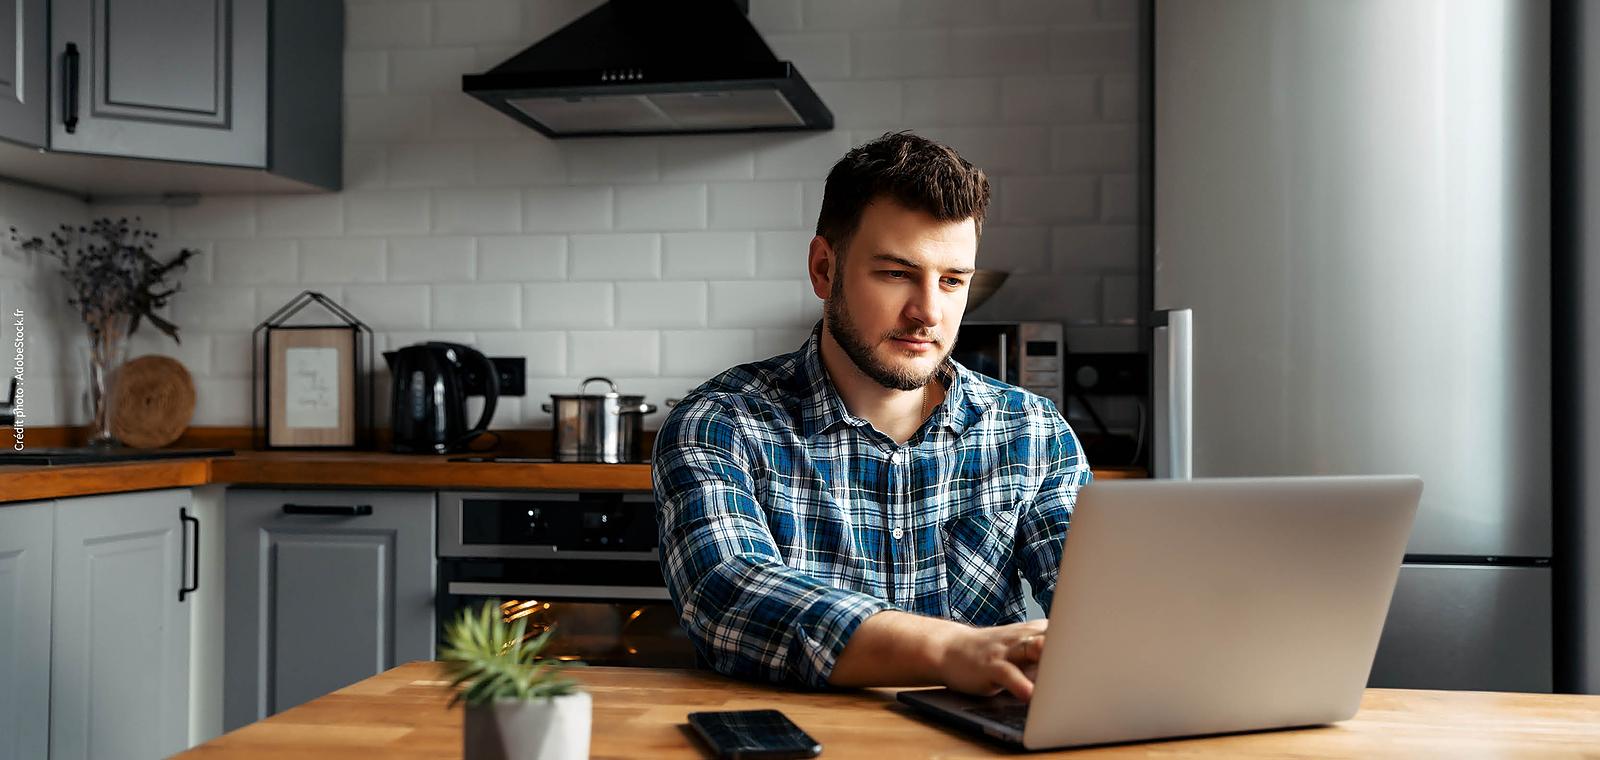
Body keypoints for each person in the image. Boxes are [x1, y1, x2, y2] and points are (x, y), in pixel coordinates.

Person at [652, 131, 1092, 701]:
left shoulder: (1033, 432)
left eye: (953, 281)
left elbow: (1099, 609)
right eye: (895, 273)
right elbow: (728, 595)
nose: (927, 312)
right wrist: (950, 650)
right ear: (823, 269)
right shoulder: (720, 425)